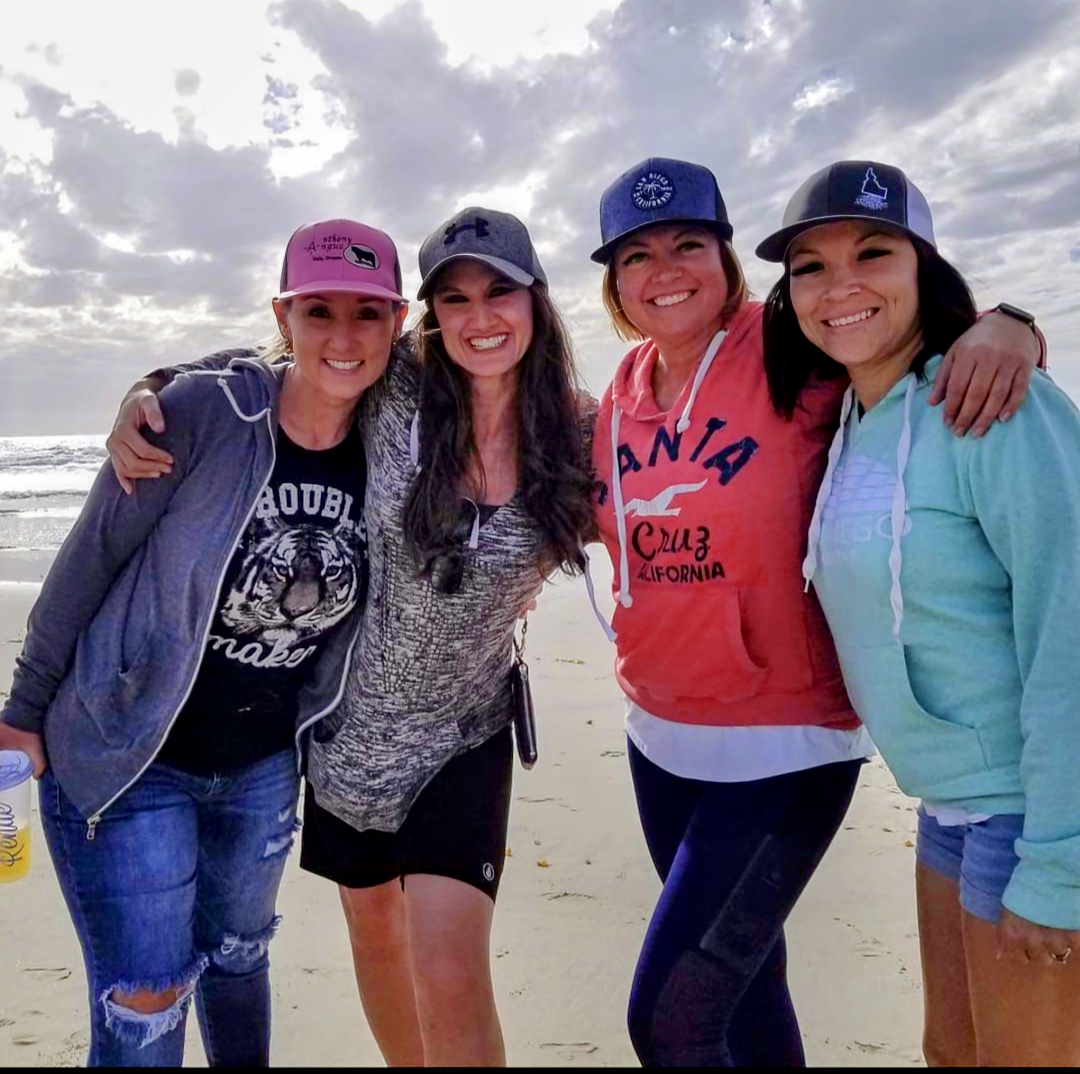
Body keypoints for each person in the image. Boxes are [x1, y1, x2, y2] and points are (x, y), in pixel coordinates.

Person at [106, 206, 594, 1068]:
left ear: (535, 303)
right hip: (345, 736)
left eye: (499, 294)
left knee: (449, 965)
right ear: (430, 316)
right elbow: (265, 372)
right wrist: (151, 385)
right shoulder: (398, 390)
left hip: (465, 733)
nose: (478, 318)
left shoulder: (582, 432)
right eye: (454, 297)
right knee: (377, 941)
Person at [585, 156, 1046, 1067]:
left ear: (727, 260)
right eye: (636, 256)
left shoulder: (784, 345)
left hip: (786, 747)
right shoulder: (621, 391)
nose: (664, 269)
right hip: (660, 740)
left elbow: (902, 340)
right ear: (613, 283)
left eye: (688, 243)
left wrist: (1011, 324)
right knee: (750, 999)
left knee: (670, 1021)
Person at [0, 218, 406, 1066]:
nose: (342, 335)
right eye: (318, 309)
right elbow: (88, 560)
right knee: (147, 1002)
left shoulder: (395, 442)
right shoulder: (199, 415)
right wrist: (22, 708)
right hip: (128, 752)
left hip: (261, 767)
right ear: (283, 313)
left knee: (239, 959)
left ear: (397, 323)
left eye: (367, 313)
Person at [759, 159, 1080, 1068]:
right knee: (952, 1053)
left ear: (923, 270)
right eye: (811, 267)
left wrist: (1060, 866)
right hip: (949, 806)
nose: (841, 285)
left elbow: (1071, 631)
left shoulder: (994, 407)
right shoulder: (852, 417)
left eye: (873, 252)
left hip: (1033, 810)